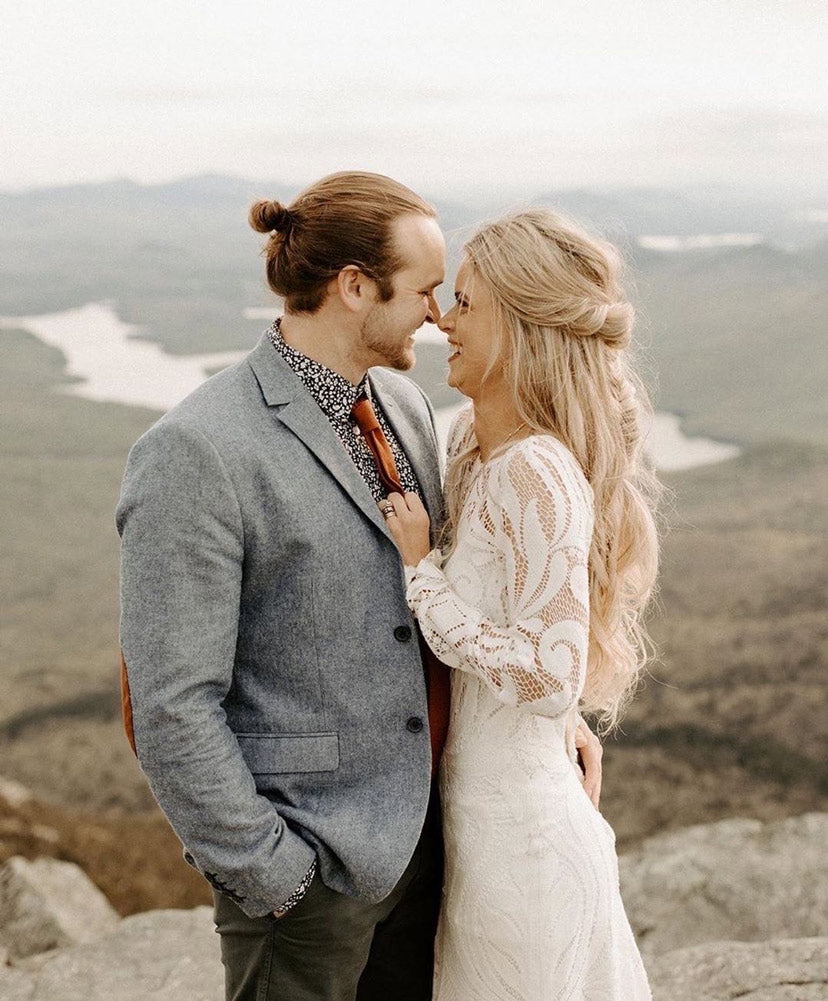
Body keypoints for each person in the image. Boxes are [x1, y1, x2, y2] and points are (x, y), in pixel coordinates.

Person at [116, 172, 603, 1001]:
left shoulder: (407, 407)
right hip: (306, 879)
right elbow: (168, 703)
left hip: (429, 851)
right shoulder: (197, 449)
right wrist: (272, 873)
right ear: (353, 288)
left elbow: (454, 598)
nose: (437, 313)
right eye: (423, 290)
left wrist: (551, 714)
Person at [383, 208, 660, 1000]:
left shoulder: (537, 472)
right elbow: (520, 626)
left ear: (520, 323)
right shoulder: (473, 444)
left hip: (527, 851)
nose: (442, 320)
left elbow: (549, 675)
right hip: (474, 829)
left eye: (465, 303)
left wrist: (421, 573)